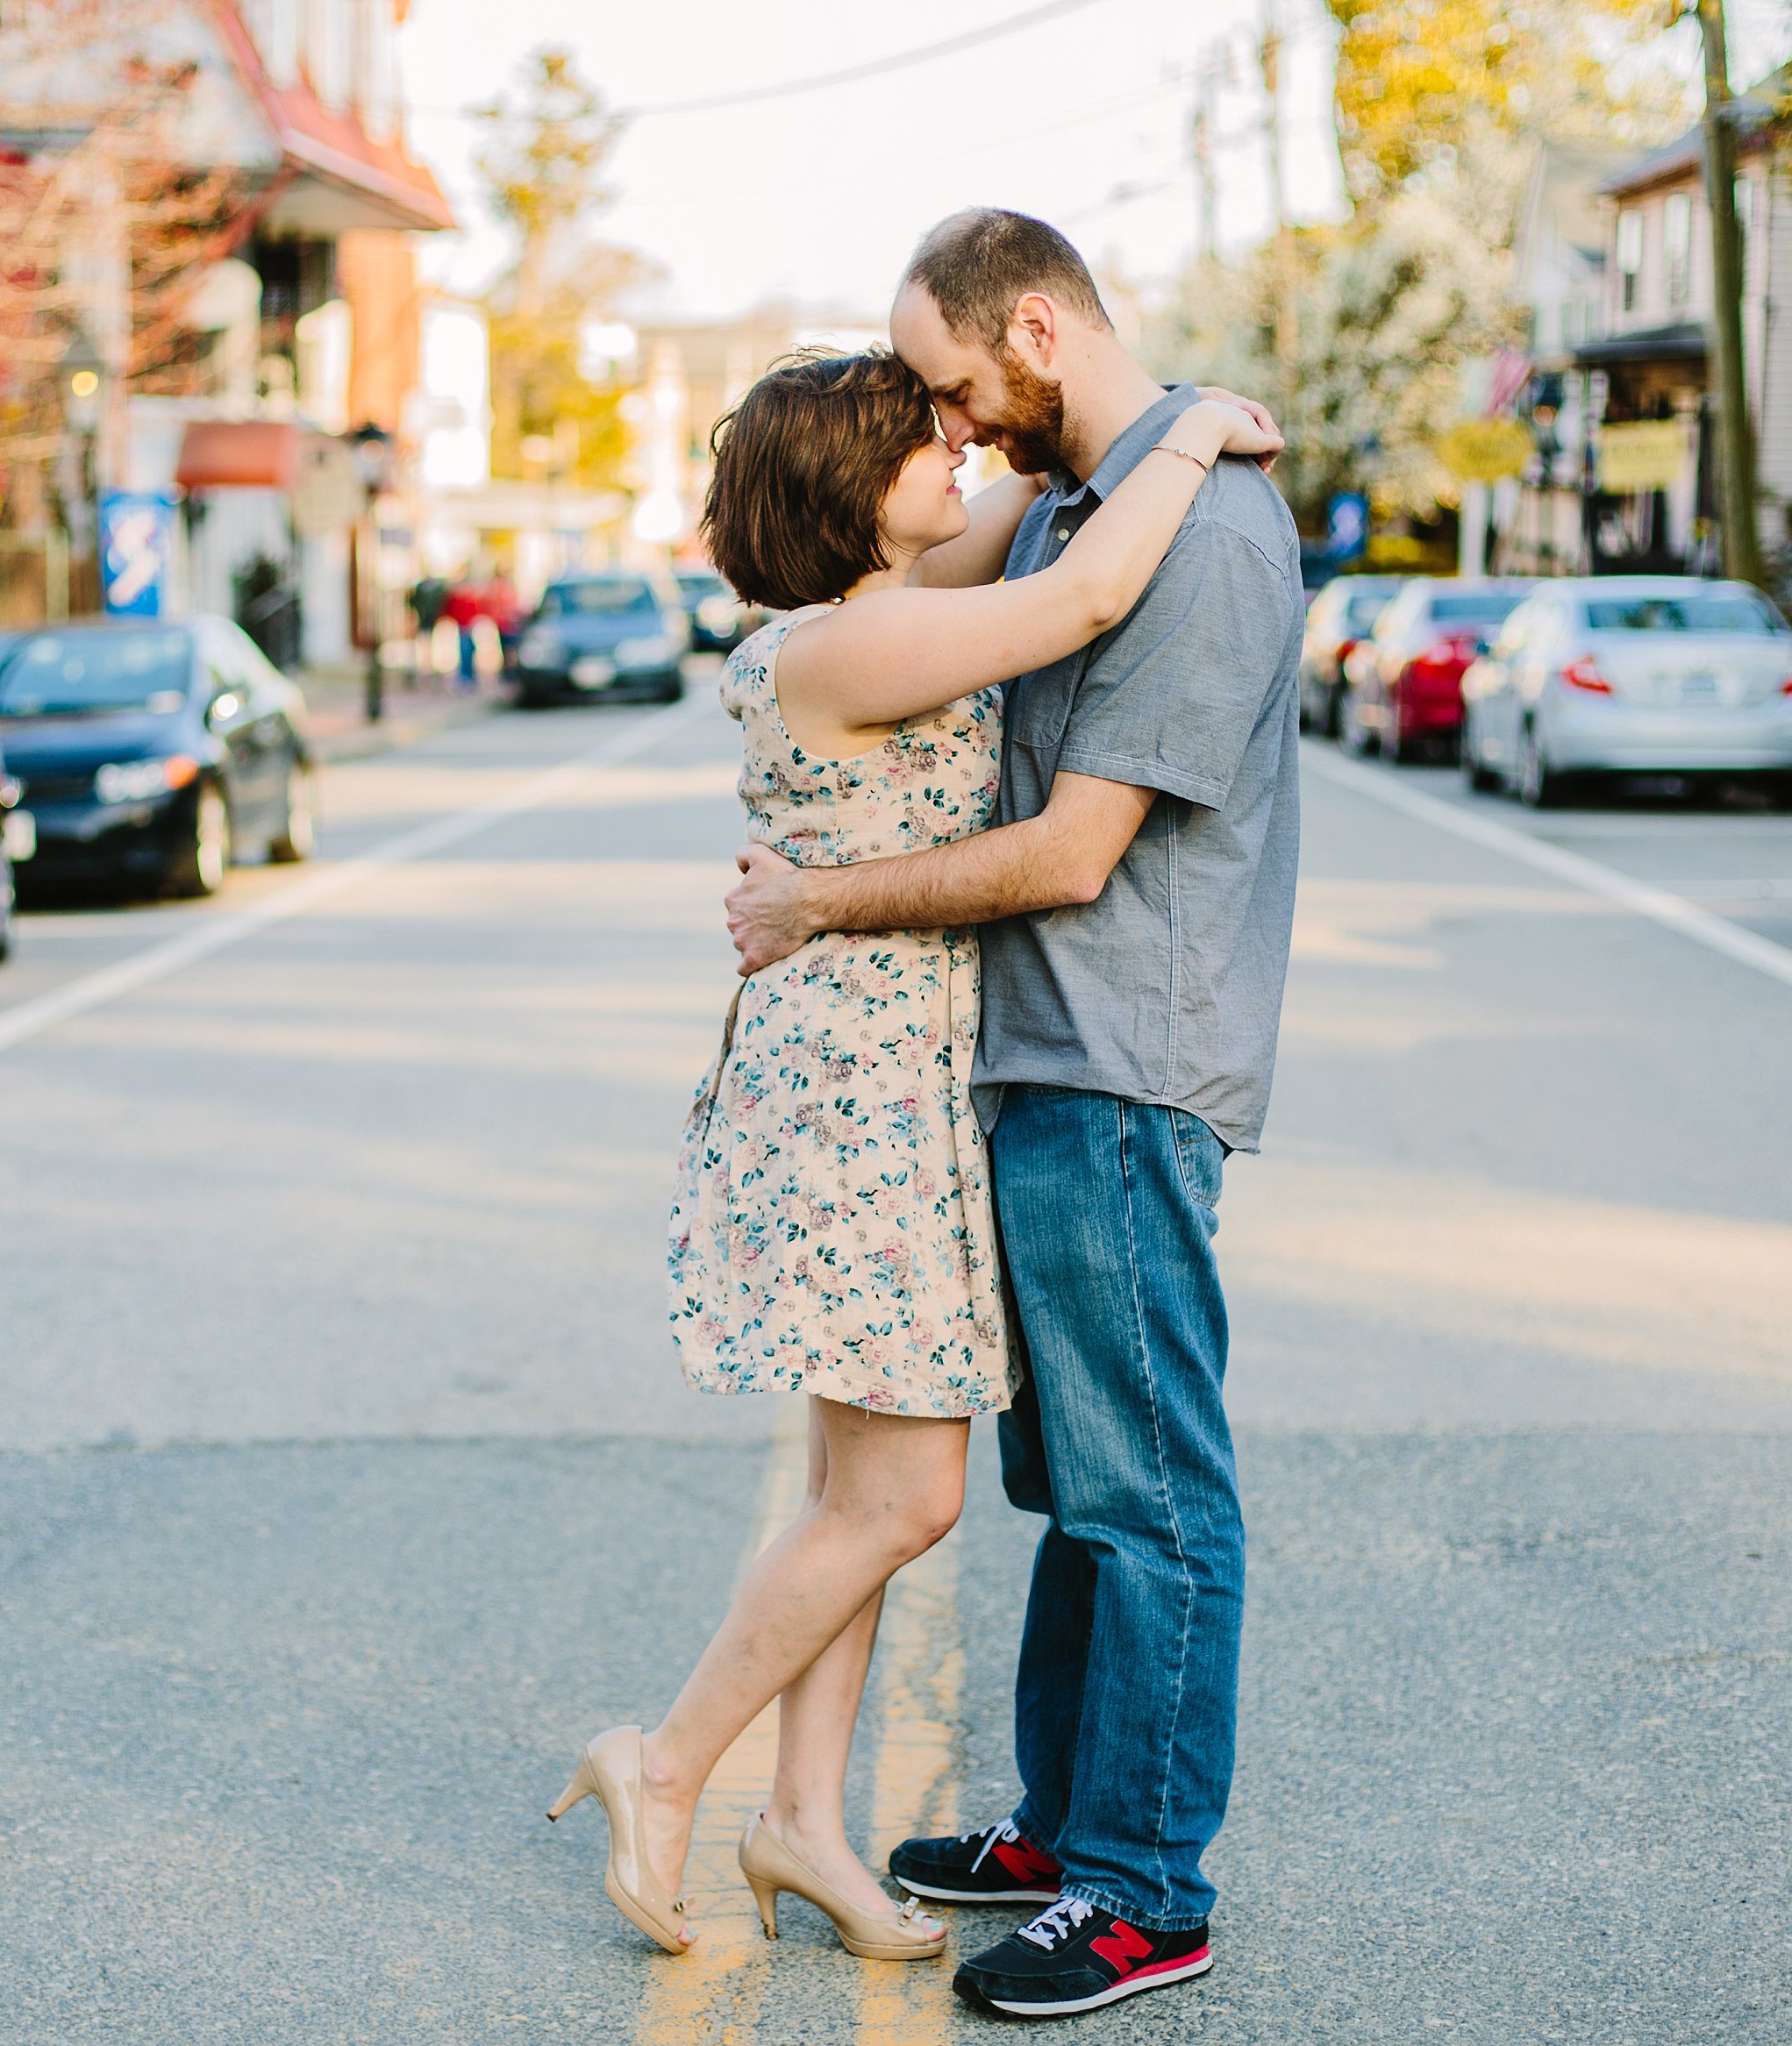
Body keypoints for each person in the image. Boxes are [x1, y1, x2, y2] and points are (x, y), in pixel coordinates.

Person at [547, 345, 1280, 1969]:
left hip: (875, 1076)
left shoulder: (861, 605)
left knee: (845, 1484)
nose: (953, 447)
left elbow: (1023, 493)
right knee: (904, 1495)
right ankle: (667, 1762)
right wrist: (1200, 435)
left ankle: (805, 1818)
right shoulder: (869, 636)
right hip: (860, 1094)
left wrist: (1070, 409)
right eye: (918, 437)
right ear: (853, 489)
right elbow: (1083, 602)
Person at [721, 208, 1308, 2021]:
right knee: (1077, 1490)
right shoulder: (1076, 502)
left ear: (1037, 333)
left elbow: (1070, 853)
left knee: (1149, 1497)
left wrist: (818, 900)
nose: (952, 420)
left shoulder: (1193, 529)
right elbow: (959, 582)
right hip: (1031, 1066)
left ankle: (1145, 1889)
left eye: (959, 383)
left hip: (1123, 1066)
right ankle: (1070, 1826)